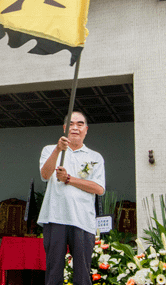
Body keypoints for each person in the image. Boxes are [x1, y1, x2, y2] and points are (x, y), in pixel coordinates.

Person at [37, 111, 105, 285]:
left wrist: (69, 179)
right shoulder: (49, 149)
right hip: (55, 218)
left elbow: (98, 188)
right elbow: (45, 175)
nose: (75, 127)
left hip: (82, 220)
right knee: (53, 273)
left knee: (82, 275)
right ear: (65, 128)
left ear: (86, 129)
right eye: (71, 124)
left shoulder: (95, 157)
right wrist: (58, 149)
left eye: (80, 124)